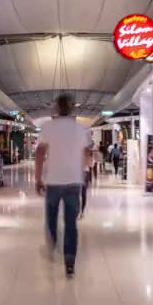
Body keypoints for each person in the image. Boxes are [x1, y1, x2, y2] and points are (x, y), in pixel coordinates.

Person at [35, 93, 90, 277]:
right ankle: (69, 261)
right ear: (72, 107)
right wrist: (83, 173)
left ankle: (53, 242)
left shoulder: (48, 127)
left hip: (54, 181)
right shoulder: (81, 129)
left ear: (57, 108)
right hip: (74, 181)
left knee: (51, 217)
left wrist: (37, 178)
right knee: (71, 223)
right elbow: (85, 155)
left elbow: (40, 154)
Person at [80, 141, 94, 219]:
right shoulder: (89, 152)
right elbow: (91, 165)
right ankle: (82, 211)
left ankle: (80, 211)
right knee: (83, 193)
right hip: (85, 172)